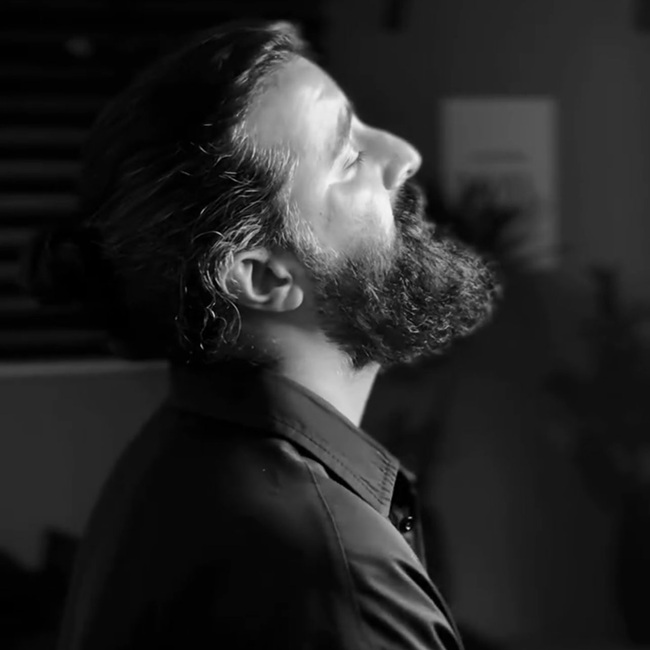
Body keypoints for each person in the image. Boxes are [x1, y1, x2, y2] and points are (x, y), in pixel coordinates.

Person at [34, 19, 498, 650]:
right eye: (349, 157)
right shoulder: (336, 571)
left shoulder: (182, 458)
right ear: (264, 277)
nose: (403, 155)